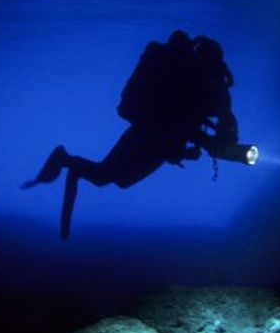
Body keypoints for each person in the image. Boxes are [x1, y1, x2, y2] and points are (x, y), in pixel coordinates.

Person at [21, 30, 239, 238]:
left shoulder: (212, 90)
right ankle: (64, 159)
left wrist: (220, 140)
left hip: (160, 144)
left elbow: (213, 126)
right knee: (103, 177)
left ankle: (68, 163)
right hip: (143, 135)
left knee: (117, 180)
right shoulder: (179, 80)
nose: (208, 75)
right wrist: (183, 148)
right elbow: (166, 122)